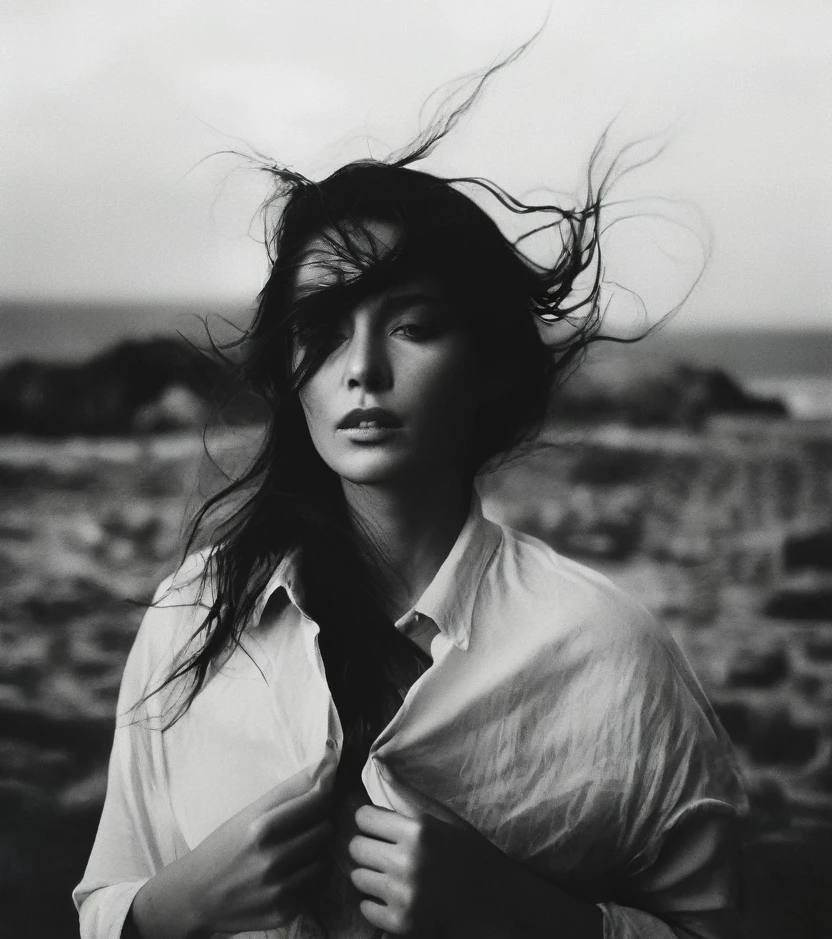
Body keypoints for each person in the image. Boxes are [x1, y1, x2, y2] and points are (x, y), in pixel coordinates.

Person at [74, 59, 748, 939]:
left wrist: (528, 918)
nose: (363, 370)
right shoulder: (192, 615)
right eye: (322, 329)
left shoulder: (610, 654)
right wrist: (165, 912)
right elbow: (104, 898)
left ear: (490, 362)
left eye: (412, 325)